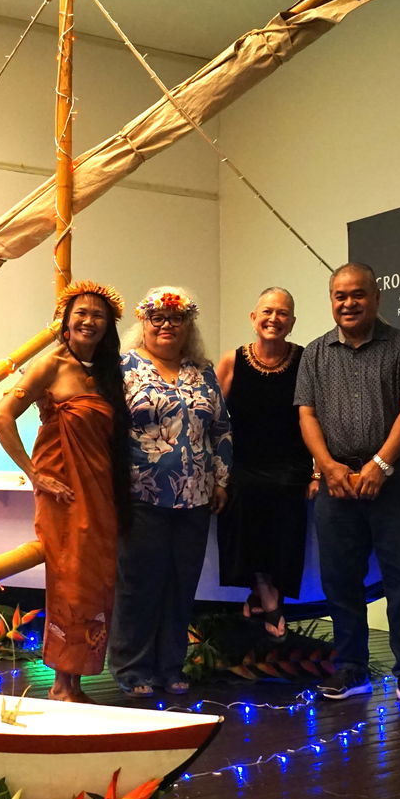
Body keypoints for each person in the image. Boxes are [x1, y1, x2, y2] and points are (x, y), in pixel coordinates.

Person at [294, 263, 400, 710]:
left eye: (357, 295)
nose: (348, 303)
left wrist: (381, 464)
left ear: (376, 298)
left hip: (395, 485)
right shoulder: (315, 353)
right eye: (340, 296)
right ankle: (351, 667)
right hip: (337, 485)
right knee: (341, 582)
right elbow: (306, 414)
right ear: (331, 300)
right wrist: (328, 467)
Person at [0, 280, 130, 704]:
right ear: (65, 321)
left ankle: (76, 681)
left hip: (100, 491)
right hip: (64, 491)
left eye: (98, 316)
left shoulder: (105, 374)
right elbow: (0, 417)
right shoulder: (49, 364)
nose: (88, 321)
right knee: (69, 580)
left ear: (108, 327)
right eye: (81, 313)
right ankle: (61, 685)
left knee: (95, 582)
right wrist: (35, 475)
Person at [109, 286, 232, 698]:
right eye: (157, 317)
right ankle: (132, 668)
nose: (166, 325)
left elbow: (222, 430)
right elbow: (105, 430)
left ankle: (169, 666)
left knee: (181, 585)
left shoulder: (203, 372)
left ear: (188, 324)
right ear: (142, 322)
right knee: (139, 584)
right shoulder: (121, 368)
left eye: (175, 318)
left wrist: (220, 479)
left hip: (194, 499)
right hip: (140, 496)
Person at [214, 287, 312, 639]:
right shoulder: (231, 361)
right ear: (253, 318)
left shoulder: (306, 360)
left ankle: (263, 592)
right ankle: (268, 595)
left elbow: (318, 419)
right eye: (267, 312)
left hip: (291, 463)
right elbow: (214, 419)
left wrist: (317, 470)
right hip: (243, 463)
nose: (274, 319)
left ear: (292, 322)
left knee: (286, 496)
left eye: (283, 313)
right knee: (244, 495)